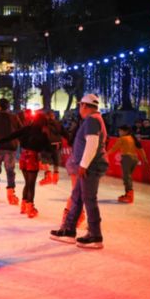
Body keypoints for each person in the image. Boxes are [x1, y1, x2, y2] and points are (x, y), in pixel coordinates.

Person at [50, 94, 109, 249]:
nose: (79, 109)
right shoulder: (95, 119)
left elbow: (92, 143)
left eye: (80, 106)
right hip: (88, 166)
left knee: (89, 199)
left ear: (84, 106)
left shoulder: (92, 120)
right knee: (77, 197)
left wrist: (83, 165)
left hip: (89, 167)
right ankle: (69, 230)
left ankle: (95, 235)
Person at [0, 113, 52, 218]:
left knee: (27, 183)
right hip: (32, 158)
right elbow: (47, 149)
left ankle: (24, 206)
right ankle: (30, 208)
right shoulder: (43, 134)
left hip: (23, 157)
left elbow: (12, 136)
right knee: (31, 185)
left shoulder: (26, 129)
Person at [106, 125, 149, 204]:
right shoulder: (133, 138)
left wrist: (105, 154)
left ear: (125, 131)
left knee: (126, 177)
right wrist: (144, 159)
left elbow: (114, 148)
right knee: (128, 177)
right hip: (134, 159)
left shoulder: (123, 138)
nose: (119, 132)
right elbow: (140, 149)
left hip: (127, 158)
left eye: (120, 131)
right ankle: (128, 194)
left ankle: (129, 195)